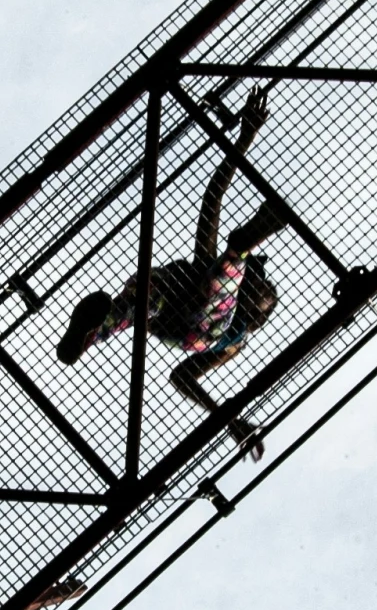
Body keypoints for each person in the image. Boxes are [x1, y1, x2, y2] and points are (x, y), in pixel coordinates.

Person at [57, 87, 290, 460]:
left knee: (215, 294)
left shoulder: (234, 340)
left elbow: (181, 377)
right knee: (149, 298)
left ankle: (245, 244)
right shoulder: (204, 267)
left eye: (260, 298)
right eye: (258, 287)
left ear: (257, 316)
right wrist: (245, 137)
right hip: (165, 301)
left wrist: (228, 420)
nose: (259, 291)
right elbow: (212, 199)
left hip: (193, 328)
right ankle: (96, 330)